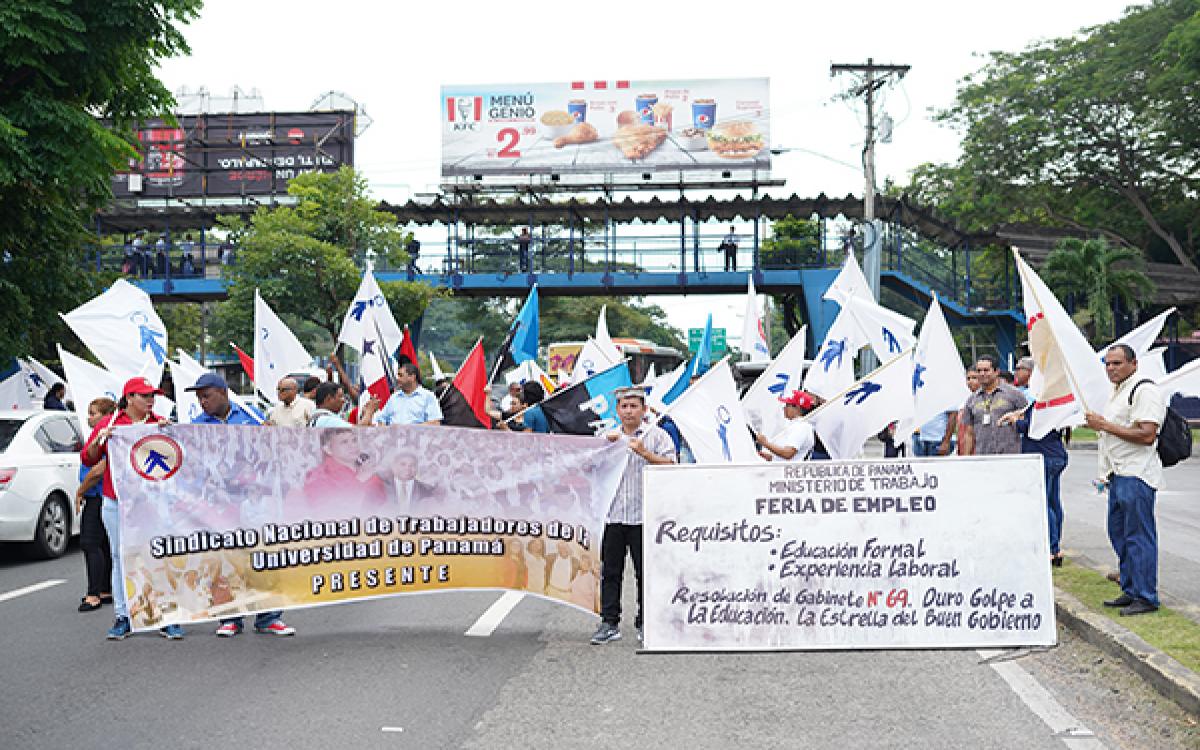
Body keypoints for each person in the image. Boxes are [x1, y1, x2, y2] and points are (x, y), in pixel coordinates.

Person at [187, 372, 296, 637]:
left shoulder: (252, 416)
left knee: (263, 556)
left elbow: (275, 454)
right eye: (199, 397)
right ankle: (229, 618)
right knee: (225, 561)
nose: (202, 402)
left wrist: (271, 436)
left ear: (223, 393)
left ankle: (268, 617)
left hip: (255, 501)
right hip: (221, 505)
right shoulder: (196, 426)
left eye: (206, 396)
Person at [81, 377, 181, 640]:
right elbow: (88, 458)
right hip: (116, 501)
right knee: (120, 557)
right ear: (130, 398)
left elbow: (176, 458)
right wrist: (99, 441)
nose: (151, 400)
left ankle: (164, 615)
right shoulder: (111, 424)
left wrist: (170, 433)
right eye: (145, 396)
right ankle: (124, 615)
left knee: (156, 556)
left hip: (151, 502)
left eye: (153, 396)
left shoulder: (157, 423)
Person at [1085, 343, 1166, 616]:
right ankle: (1131, 589)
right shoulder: (1117, 391)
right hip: (1117, 474)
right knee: (1119, 533)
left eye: (1117, 363)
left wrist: (1104, 425)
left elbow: (1146, 435)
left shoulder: (1144, 390)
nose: (1111, 368)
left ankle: (1146, 596)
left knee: (1138, 536)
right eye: (1107, 364)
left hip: (1137, 473)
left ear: (1133, 364)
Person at [591, 387, 675, 645]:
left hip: (644, 516)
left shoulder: (657, 436)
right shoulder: (606, 435)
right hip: (613, 515)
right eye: (624, 406)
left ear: (644, 409)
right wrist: (605, 450)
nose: (628, 411)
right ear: (617, 410)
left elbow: (672, 465)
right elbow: (589, 468)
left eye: (633, 406)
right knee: (611, 572)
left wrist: (645, 454)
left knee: (645, 572)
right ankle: (609, 622)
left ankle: (646, 623)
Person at [1000, 358, 1068, 567]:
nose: (1017, 372)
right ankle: (1055, 547)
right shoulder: (1048, 401)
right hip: (1054, 454)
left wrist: (1016, 422)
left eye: (1020, 369)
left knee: (1044, 503)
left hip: (1044, 455)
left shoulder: (1042, 401)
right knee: (1053, 501)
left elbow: (1032, 427)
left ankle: (1051, 547)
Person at [75, 397, 115, 612]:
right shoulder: (103, 431)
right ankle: (104, 589)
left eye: (93, 413)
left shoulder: (106, 430)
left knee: (90, 543)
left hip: (97, 494)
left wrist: (81, 491)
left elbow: (99, 468)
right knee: (103, 544)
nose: (89, 417)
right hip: (101, 494)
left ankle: (93, 594)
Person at [959, 355, 1027, 456]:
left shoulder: (1014, 394)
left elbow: (1027, 422)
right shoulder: (972, 399)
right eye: (979, 371)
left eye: (986, 370)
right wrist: (966, 458)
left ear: (996, 372)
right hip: (982, 457)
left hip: (1010, 456)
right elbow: (969, 433)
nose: (982, 374)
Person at [374, 362, 442, 426]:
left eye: (401, 375)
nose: (397, 379)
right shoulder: (394, 397)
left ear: (412, 377)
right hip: (393, 437)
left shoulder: (428, 397)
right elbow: (381, 420)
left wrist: (408, 430)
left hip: (417, 437)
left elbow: (435, 423)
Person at [756, 390, 816, 462]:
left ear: (797, 407)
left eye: (787, 405)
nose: (784, 408)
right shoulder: (796, 425)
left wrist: (765, 443)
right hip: (784, 470)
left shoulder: (802, 427)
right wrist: (772, 458)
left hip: (790, 472)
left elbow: (788, 454)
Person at [310, 381, 378, 428]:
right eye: (340, 396)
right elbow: (358, 432)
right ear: (329, 399)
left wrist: (365, 415)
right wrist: (369, 411)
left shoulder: (318, 417)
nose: (343, 400)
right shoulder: (327, 420)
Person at [956, 367, 980, 455]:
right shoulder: (965, 400)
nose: (970, 381)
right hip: (962, 446)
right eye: (968, 378)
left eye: (974, 378)